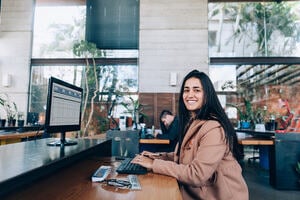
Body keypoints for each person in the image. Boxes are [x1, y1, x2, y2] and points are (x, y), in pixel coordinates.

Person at [132, 69, 249, 200]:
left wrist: (154, 165)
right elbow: (183, 156)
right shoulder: (192, 122)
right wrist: (155, 157)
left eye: (197, 90)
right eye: (186, 90)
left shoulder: (213, 128)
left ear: (207, 95)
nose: (190, 95)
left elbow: (197, 174)